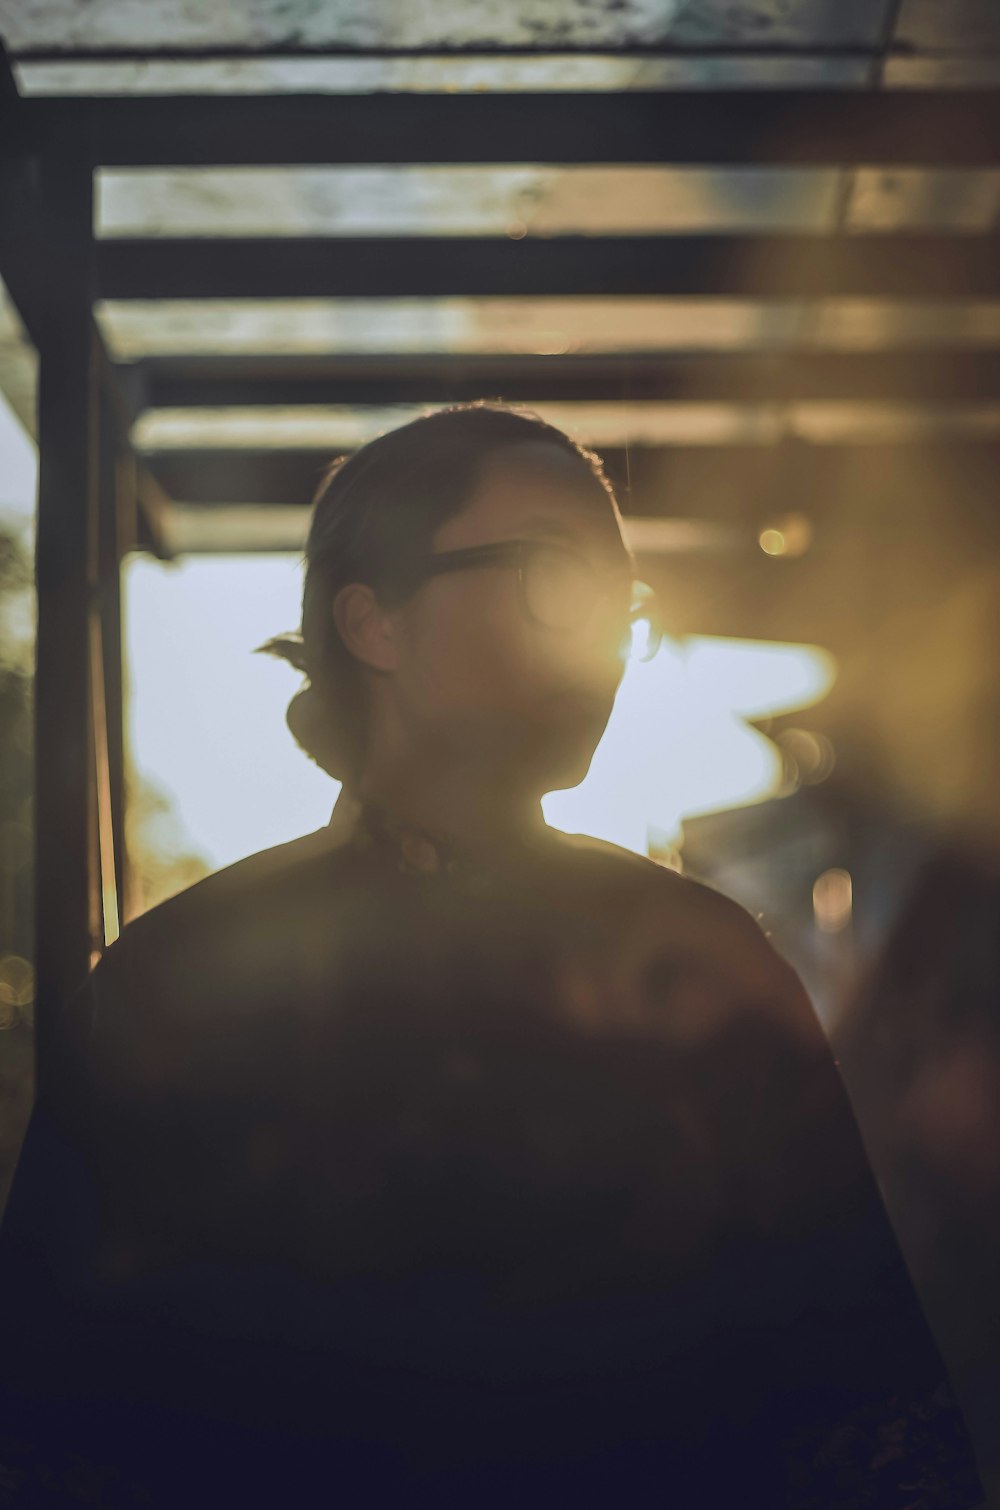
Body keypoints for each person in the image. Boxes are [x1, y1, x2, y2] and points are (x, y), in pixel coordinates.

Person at [0, 404, 986, 1507]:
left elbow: (856, 1391)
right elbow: (57, 1417)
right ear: (375, 625)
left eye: (625, 600)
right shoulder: (179, 979)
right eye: (558, 577)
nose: (605, 635)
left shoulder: (703, 954)